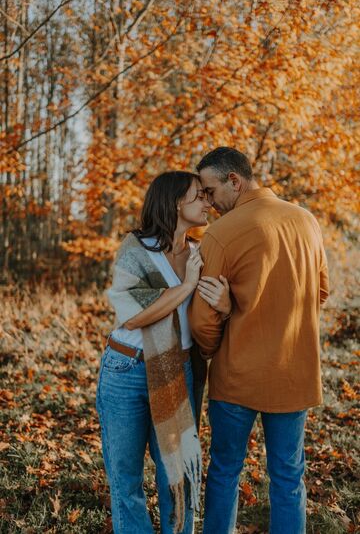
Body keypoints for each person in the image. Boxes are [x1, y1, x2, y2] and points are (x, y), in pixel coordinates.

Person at [188, 147, 329, 534]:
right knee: (287, 477)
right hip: (294, 374)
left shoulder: (220, 234)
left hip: (238, 377)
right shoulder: (307, 221)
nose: (209, 202)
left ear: (235, 181)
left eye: (212, 191)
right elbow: (320, 292)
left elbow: (202, 320)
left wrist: (212, 345)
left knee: (225, 471)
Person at [96, 171, 230, 534]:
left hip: (177, 371)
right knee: (125, 478)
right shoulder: (136, 249)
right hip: (126, 371)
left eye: (207, 195)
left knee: (178, 474)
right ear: (174, 202)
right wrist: (187, 285)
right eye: (199, 195)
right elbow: (136, 316)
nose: (207, 202)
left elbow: (212, 311)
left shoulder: (203, 253)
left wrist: (226, 303)